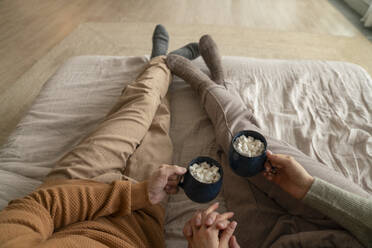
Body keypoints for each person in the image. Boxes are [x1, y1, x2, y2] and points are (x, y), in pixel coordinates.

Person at [0, 25, 237, 248]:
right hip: (140, 221)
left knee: (139, 104)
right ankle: (163, 64)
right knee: (159, 121)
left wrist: (141, 193)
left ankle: (160, 63)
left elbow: (37, 206)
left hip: (79, 183)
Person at [167, 35, 372, 247]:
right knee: (240, 141)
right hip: (356, 221)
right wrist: (310, 188)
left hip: (270, 242)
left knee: (233, 167)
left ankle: (220, 86)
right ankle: (207, 85)